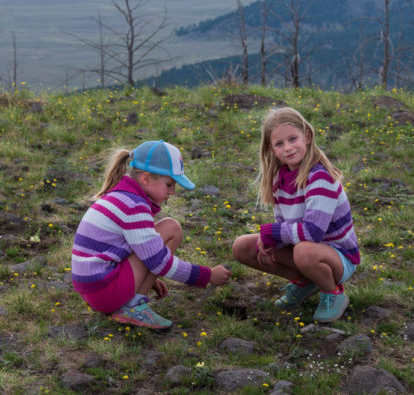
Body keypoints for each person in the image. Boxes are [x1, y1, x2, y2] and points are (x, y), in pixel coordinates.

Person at [72, 139, 231, 329]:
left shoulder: (121, 196)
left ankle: (132, 297)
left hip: (94, 289)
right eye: (169, 185)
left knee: (165, 230)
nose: (172, 192)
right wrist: (207, 276)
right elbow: (159, 262)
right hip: (104, 292)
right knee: (171, 229)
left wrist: (146, 279)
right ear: (146, 179)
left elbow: (130, 248)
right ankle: (133, 306)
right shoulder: (134, 206)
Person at [232, 107, 360, 323]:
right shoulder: (279, 181)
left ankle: (332, 293)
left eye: (293, 139)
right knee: (243, 247)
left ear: (307, 137)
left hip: (339, 258)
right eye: (279, 143)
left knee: (303, 251)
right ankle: (304, 281)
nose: (288, 148)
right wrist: (270, 243)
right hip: (305, 248)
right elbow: (284, 226)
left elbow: (313, 232)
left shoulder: (320, 178)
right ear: (271, 149)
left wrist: (271, 234)